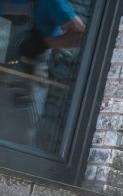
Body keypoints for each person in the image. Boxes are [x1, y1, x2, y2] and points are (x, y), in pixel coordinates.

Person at [0, 0, 84, 148]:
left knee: (18, 140)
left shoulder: (50, 2)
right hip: (4, 74)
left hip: (27, 81)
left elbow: (79, 35)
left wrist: (43, 44)